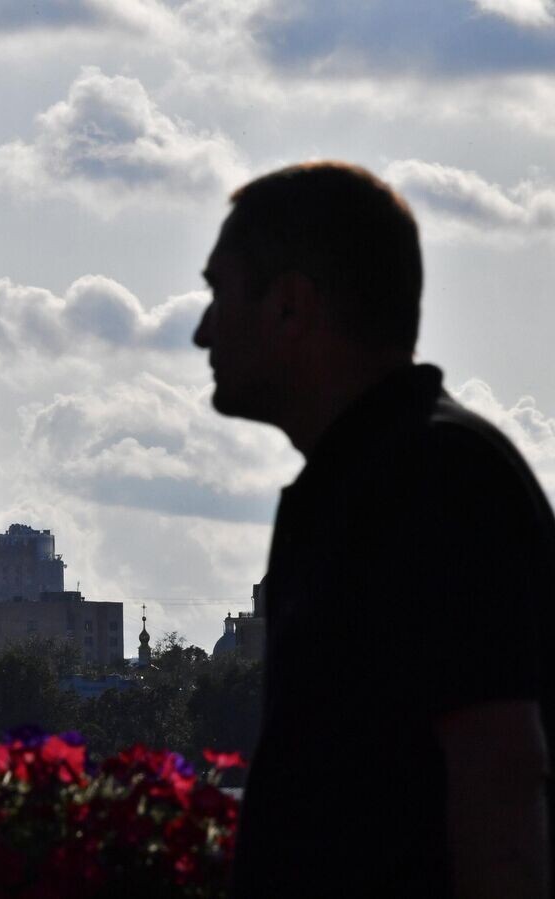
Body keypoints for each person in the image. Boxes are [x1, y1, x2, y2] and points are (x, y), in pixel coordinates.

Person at [193, 162, 552, 897]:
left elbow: (499, 779)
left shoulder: (435, 479)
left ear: (291, 307)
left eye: (218, 292)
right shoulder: (378, 475)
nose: (201, 331)